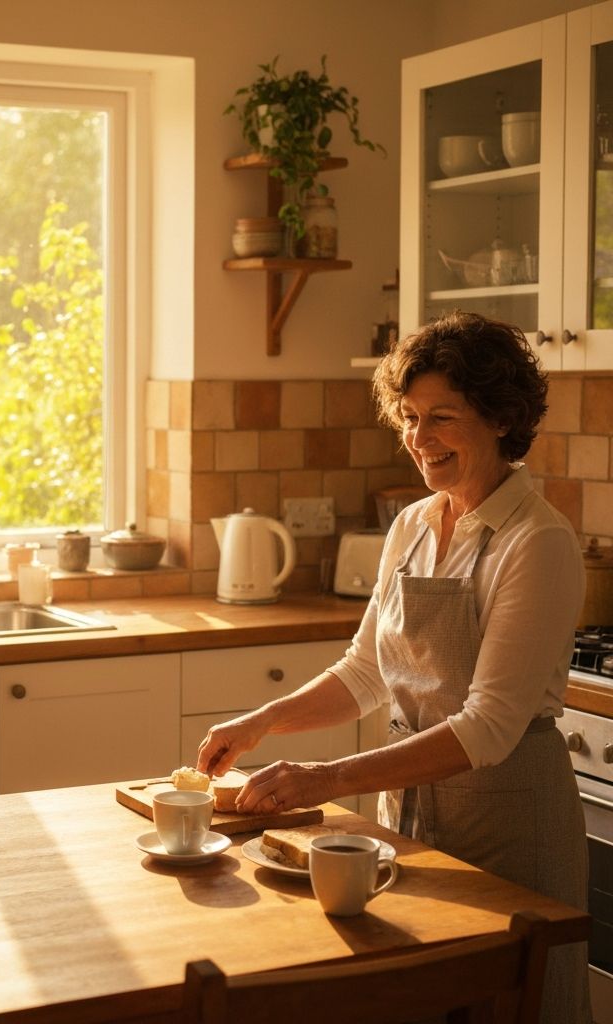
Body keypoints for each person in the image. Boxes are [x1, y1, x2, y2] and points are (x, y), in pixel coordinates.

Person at [197, 311, 589, 1023]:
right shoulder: (411, 526)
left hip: (507, 823)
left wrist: (325, 778)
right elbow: (367, 671)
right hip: (408, 816)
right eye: (409, 417)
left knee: (515, 1005)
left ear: (501, 418)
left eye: (443, 417)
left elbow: (489, 729)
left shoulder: (537, 543)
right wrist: (262, 723)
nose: (419, 438)